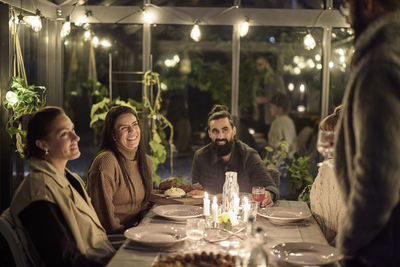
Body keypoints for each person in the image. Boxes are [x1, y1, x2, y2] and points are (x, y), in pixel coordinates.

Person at [335, 0, 400, 266]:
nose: (348, 19)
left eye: (349, 7)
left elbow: (377, 179)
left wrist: (348, 242)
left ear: (369, 5)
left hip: (382, 248)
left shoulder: (379, 65)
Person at [9, 106, 115, 266]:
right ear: (43, 145)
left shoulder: (69, 179)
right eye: (64, 134)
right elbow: (64, 260)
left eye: (72, 129)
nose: (76, 137)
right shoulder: (39, 192)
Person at [192, 104, 279, 207]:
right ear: (210, 133)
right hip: (212, 217)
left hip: (243, 216)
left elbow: (270, 187)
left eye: (225, 130)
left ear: (234, 131)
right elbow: (195, 193)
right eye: (215, 131)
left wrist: (269, 194)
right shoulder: (200, 157)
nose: (220, 136)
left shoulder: (248, 155)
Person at [87, 106, 153, 234]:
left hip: (136, 231)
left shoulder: (146, 161)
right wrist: (135, 235)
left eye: (135, 125)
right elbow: (106, 222)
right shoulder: (106, 162)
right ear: (113, 135)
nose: (132, 130)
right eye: (124, 128)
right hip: (112, 239)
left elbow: (144, 205)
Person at [309, 105, 345, 245]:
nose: (326, 140)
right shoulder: (327, 168)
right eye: (325, 134)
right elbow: (317, 211)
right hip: (321, 243)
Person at [252, 56, 285, 132]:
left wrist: (267, 99)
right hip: (259, 114)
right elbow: (254, 95)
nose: (258, 67)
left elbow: (282, 97)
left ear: (267, 64)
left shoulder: (275, 78)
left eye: (260, 64)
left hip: (271, 115)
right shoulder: (257, 79)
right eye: (257, 64)